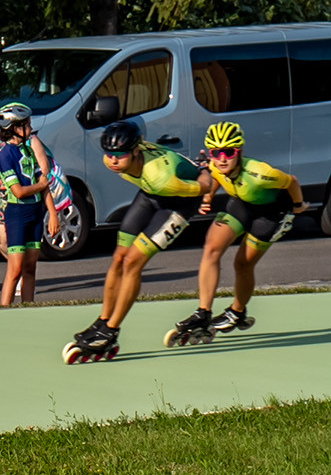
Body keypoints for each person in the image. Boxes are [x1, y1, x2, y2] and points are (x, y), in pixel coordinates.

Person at [63, 120, 206, 363]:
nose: (113, 160)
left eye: (120, 155)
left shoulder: (162, 176)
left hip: (178, 201)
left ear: (136, 151)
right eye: (109, 154)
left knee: (132, 262)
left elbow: (205, 185)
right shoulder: (116, 160)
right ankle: (103, 321)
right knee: (119, 258)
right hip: (150, 193)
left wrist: (206, 177)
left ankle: (111, 331)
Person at [172, 120, 310, 344]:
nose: (222, 159)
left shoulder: (260, 173)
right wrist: (208, 197)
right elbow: (215, 175)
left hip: (271, 214)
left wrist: (298, 205)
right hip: (242, 203)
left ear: (240, 152)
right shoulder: (215, 164)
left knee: (242, 264)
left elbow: (291, 181)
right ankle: (203, 312)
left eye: (229, 152)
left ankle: (237, 312)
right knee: (211, 248)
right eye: (216, 153)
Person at [0, 104, 60, 306]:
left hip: (35, 212)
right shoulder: (6, 154)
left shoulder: (28, 150)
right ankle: (3, 310)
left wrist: (53, 213)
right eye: (27, 125)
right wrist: (40, 185)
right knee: (15, 269)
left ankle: (29, 308)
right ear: (15, 128)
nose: (31, 128)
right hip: (17, 214)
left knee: (30, 267)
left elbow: (43, 183)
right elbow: (19, 191)